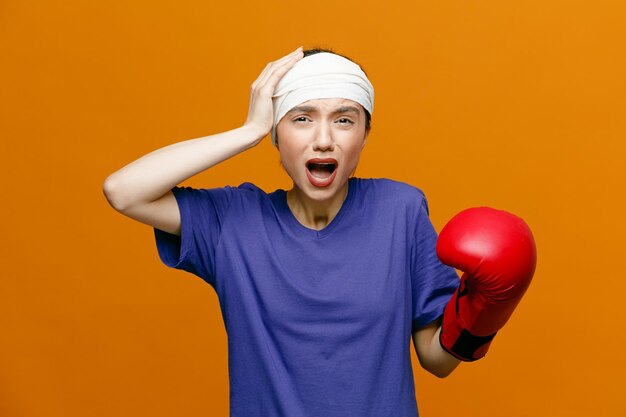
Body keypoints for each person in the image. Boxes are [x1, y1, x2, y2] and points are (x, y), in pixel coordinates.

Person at [103, 46, 536, 417]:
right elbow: (124, 191)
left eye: (345, 120)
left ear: (365, 134)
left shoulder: (400, 210)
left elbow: (436, 360)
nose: (324, 139)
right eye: (301, 118)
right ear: (277, 134)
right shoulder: (233, 219)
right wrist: (248, 130)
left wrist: (486, 313)